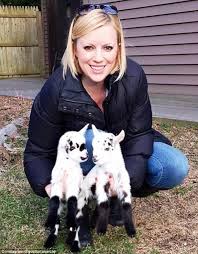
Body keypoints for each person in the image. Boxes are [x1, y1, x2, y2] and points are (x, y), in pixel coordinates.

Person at [24, 4, 189, 246]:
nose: (99, 58)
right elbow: (37, 152)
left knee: (174, 166)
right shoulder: (56, 87)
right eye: (88, 47)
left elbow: (139, 134)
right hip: (79, 160)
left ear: (119, 48)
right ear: (74, 49)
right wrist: (51, 186)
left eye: (108, 47)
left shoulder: (134, 76)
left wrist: (123, 182)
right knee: (89, 139)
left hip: (117, 153)